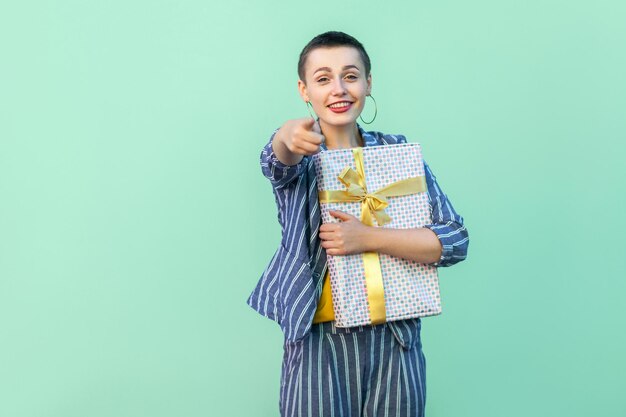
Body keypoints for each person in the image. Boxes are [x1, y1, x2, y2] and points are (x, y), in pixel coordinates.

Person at [247, 31, 469, 417]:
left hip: (395, 337)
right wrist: (285, 135)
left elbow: (453, 240)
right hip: (318, 340)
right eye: (323, 79)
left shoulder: (398, 155)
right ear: (304, 90)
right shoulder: (301, 161)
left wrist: (366, 237)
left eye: (350, 76)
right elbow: (275, 159)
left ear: (368, 82)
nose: (338, 89)